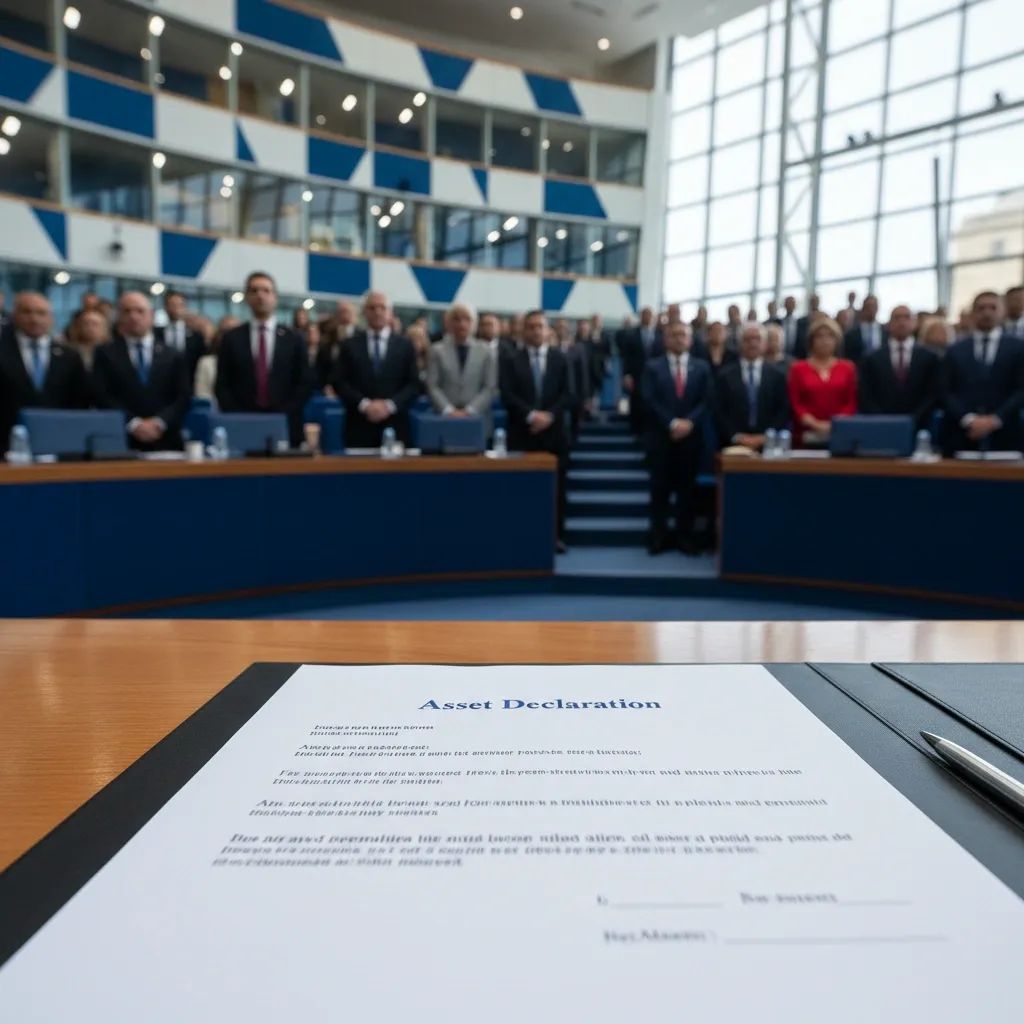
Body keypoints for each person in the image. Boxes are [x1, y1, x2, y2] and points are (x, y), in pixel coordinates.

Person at [500, 309, 571, 551]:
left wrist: (548, 416)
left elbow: (569, 394)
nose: (536, 331)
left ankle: (555, 537)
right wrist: (531, 415)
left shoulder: (561, 359)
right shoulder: (510, 359)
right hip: (522, 432)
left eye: (540, 326)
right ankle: (520, 536)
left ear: (547, 330)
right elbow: (507, 394)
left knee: (557, 488)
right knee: (521, 489)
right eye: (531, 326)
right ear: (523, 330)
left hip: (554, 434)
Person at [215, 271, 310, 447]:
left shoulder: (293, 338)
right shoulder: (231, 338)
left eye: (266, 290)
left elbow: (304, 383)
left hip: (286, 423)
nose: (260, 295)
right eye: (254, 290)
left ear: (275, 297)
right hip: (242, 423)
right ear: (246, 297)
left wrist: (282, 413)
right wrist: (240, 416)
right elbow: (222, 384)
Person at [642, 321, 713, 556]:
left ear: (691, 340)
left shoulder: (701, 367)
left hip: (691, 439)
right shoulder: (652, 367)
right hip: (661, 438)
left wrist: (689, 422)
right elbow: (649, 400)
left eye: (683, 335)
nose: (679, 338)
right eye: (674, 334)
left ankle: (684, 537)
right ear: (665, 339)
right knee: (659, 490)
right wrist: (672, 423)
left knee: (687, 491)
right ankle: (658, 536)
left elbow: (706, 400)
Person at [92, 291, 190, 451]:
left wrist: (159, 422)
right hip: (121, 440)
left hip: (166, 440)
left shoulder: (172, 354)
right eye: (127, 311)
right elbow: (102, 394)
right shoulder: (105, 353)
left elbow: (183, 396)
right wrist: (134, 424)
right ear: (119, 317)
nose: (134, 316)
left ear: (151, 315)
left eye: (140, 311)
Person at [0, 291, 91, 454]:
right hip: (6, 444)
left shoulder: (68, 355)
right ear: (14, 315)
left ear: (51, 318)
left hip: (57, 442)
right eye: (27, 312)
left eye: (41, 313)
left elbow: (79, 401)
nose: (34, 319)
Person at [333, 290, 421, 449]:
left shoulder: (405, 345)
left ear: (390, 312)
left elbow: (414, 384)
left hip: (396, 425)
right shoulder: (349, 345)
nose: (377, 312)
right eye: (372, 308)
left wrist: (389, 406)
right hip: (358, 426)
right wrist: (365, 405)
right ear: (364, 312)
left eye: (382, 307)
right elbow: (339, 382)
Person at [941, 291, 1024, 455]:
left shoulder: (1018, 348)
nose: (987, 313)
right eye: (981, 308)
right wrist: (969, 419)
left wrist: (995, 420)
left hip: (1007, 435)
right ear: (972, 314)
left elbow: (1021, 390)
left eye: (993, 308)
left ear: (1002, 311)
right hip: (961, 435)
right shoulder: (954, 350)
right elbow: (944, 391)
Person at [859, 305, 940, 430]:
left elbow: (932, 393)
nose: (901, 322)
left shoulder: (929, 357)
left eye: (906, 317)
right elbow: (866, 395)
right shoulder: (872, 358)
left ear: (915, 323)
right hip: (880, 426)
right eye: (896, 318)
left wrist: (914, 419)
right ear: (888, 324)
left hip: (920, 426)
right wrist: (882, 421)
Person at [715, 323, 790, 452]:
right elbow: (718, 410)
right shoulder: (724, 375)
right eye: (747, 339)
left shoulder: (778, 375)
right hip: (733, 443)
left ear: (765, 344)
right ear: (739, 344)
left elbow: (783, 410)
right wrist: (736, 436)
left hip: (769, 444)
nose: (753, 343)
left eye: (757, 339)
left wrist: (765, 436)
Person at [426, 303, 496, 438]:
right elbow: (432, 385)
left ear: (474, 324)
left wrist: (470, 411)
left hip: (477, 419)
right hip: (444, 418)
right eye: (456, 319)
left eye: (466, 319)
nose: (461, 324)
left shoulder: (486, 351)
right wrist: (448, 410)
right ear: (448, 323)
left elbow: (489, 387)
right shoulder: (436, 350)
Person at [787, 317, 858, 448]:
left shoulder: (848, 368)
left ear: (837, 341)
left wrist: (833, 424)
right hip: (805, 435)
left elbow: (851, 402)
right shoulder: (798, 368)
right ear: (811, 341)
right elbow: (795, 403)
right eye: (819, 336)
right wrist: (814, 424)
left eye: (830, 336)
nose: (824, 341)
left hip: (840, 432)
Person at [159, 290, 206, 388]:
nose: (176, 308)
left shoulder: (196, 336)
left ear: (185, 307)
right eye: (172, 304)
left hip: (189, 386)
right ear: (165, 307)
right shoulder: (156, 334)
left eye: (180, 305)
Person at [194, 315, 239, 403]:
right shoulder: (206, 363)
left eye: (235, 331)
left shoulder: (253, 362)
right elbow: (202, 395)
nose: (230, 337)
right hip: (216, 413)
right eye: (225, 332)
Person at [316, 299, 358, 394]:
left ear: (355, 314)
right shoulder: (328, 336)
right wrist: (325, 386)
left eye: (347, 311)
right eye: (341, 312)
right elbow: (320, 368)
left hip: (357, 392)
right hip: (330, 392)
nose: (344, 315)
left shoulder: (362, 337)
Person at [843, 294, 887, 364]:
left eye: (873, 306)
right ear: (863, 308)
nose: (871, 309)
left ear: (877, 308)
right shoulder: (852, 333)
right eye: (868, 306)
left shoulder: (886, 331)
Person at [795, 293, 820, 358]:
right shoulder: (800, 321)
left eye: (815, 301)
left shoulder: (825, 318)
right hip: (803, 354)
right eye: (812, 301)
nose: (814, 303)